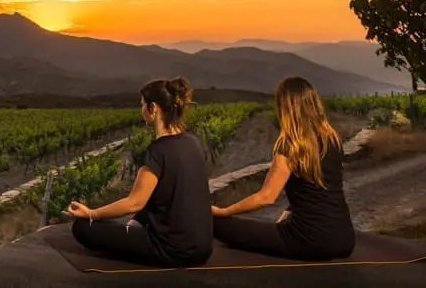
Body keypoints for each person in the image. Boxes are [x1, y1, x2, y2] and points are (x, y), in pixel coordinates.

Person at [65, 77, 213, 267]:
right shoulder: (193, 142)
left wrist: (92, 213)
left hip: (172, 250)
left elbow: (134, 203)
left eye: (142, 105)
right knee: (139, 217)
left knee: (83, 228)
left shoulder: (157, 151)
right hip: (202, 248)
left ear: (153, 109)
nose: (141, 110)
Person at [212, 75, 355, 261]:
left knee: (217, 224)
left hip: (309, 241)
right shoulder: (332, 139)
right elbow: (319, 189)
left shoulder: (290, 146)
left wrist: (223, 211)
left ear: (285, 107)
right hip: (344, 239)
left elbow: (266, 197)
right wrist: (289, 212)